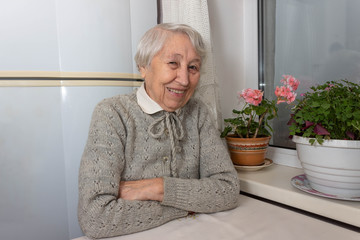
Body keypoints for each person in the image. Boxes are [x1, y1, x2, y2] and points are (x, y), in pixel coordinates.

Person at [78, 23, 240, 239]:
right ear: (143, 66)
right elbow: (95, 218)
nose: (184, 79)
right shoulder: (112, 113)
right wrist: (191, 204)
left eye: (193, 67)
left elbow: (227, 190)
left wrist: (157, 188)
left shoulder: (198, 113)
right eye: (173, 63)